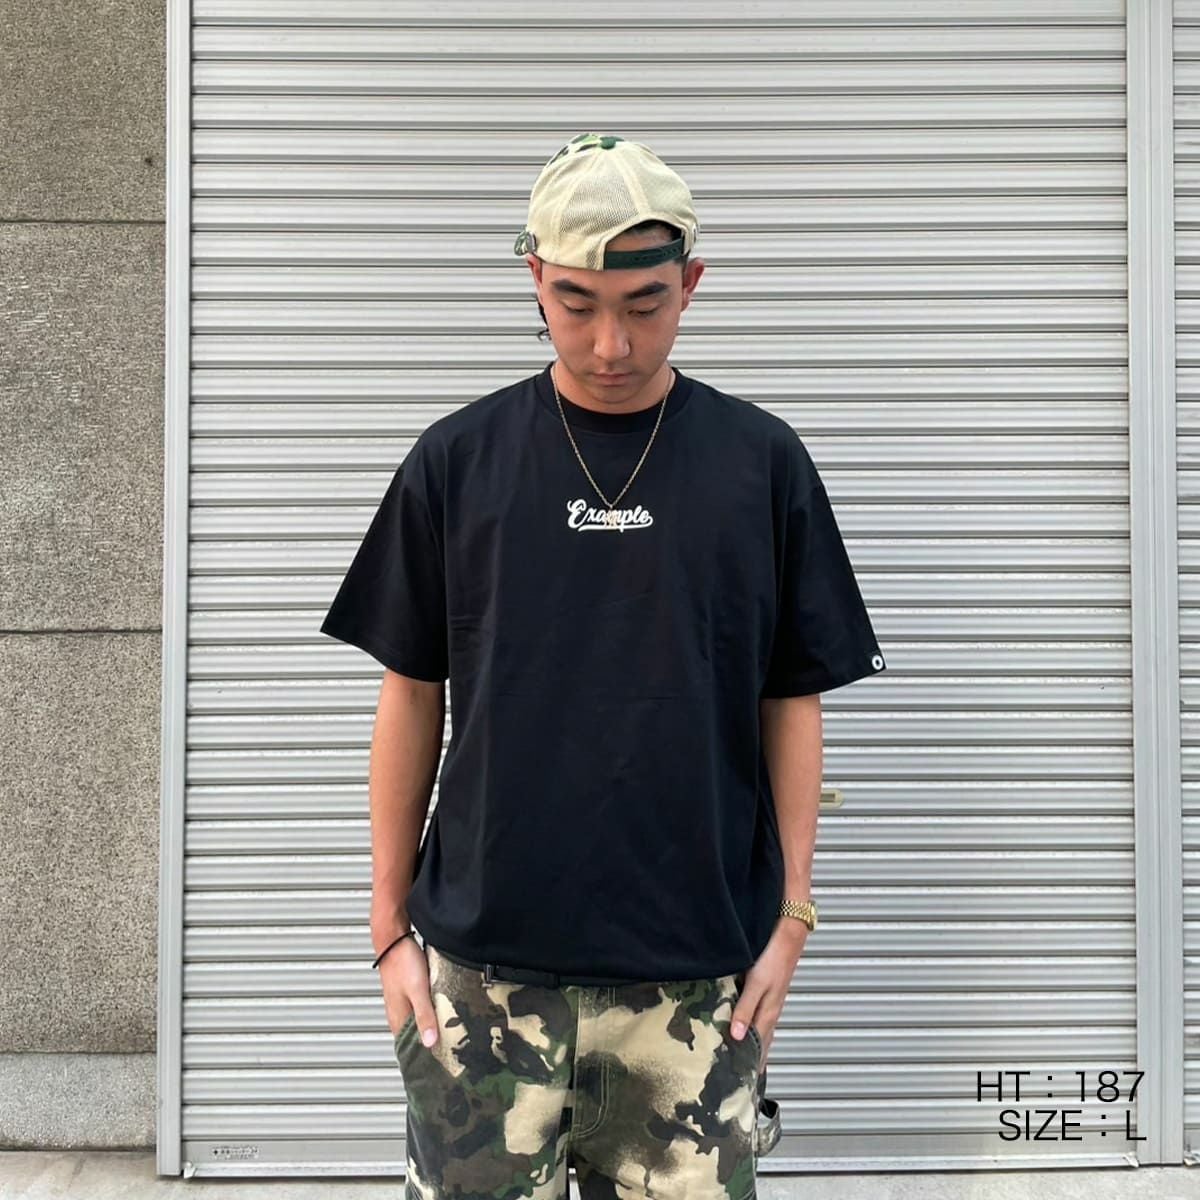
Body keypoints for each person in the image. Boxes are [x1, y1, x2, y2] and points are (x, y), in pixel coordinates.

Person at [320, 131, 887, 1200]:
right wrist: (387, 928)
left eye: (645, 304)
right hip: (482, 986)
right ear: (535, 278)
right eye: (576, 303)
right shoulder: (458, 462)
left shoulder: (761, 465)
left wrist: (795, 916)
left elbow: (791, 698)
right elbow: (411, 695)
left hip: (695, 986)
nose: (611, 342)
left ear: (692, 284)